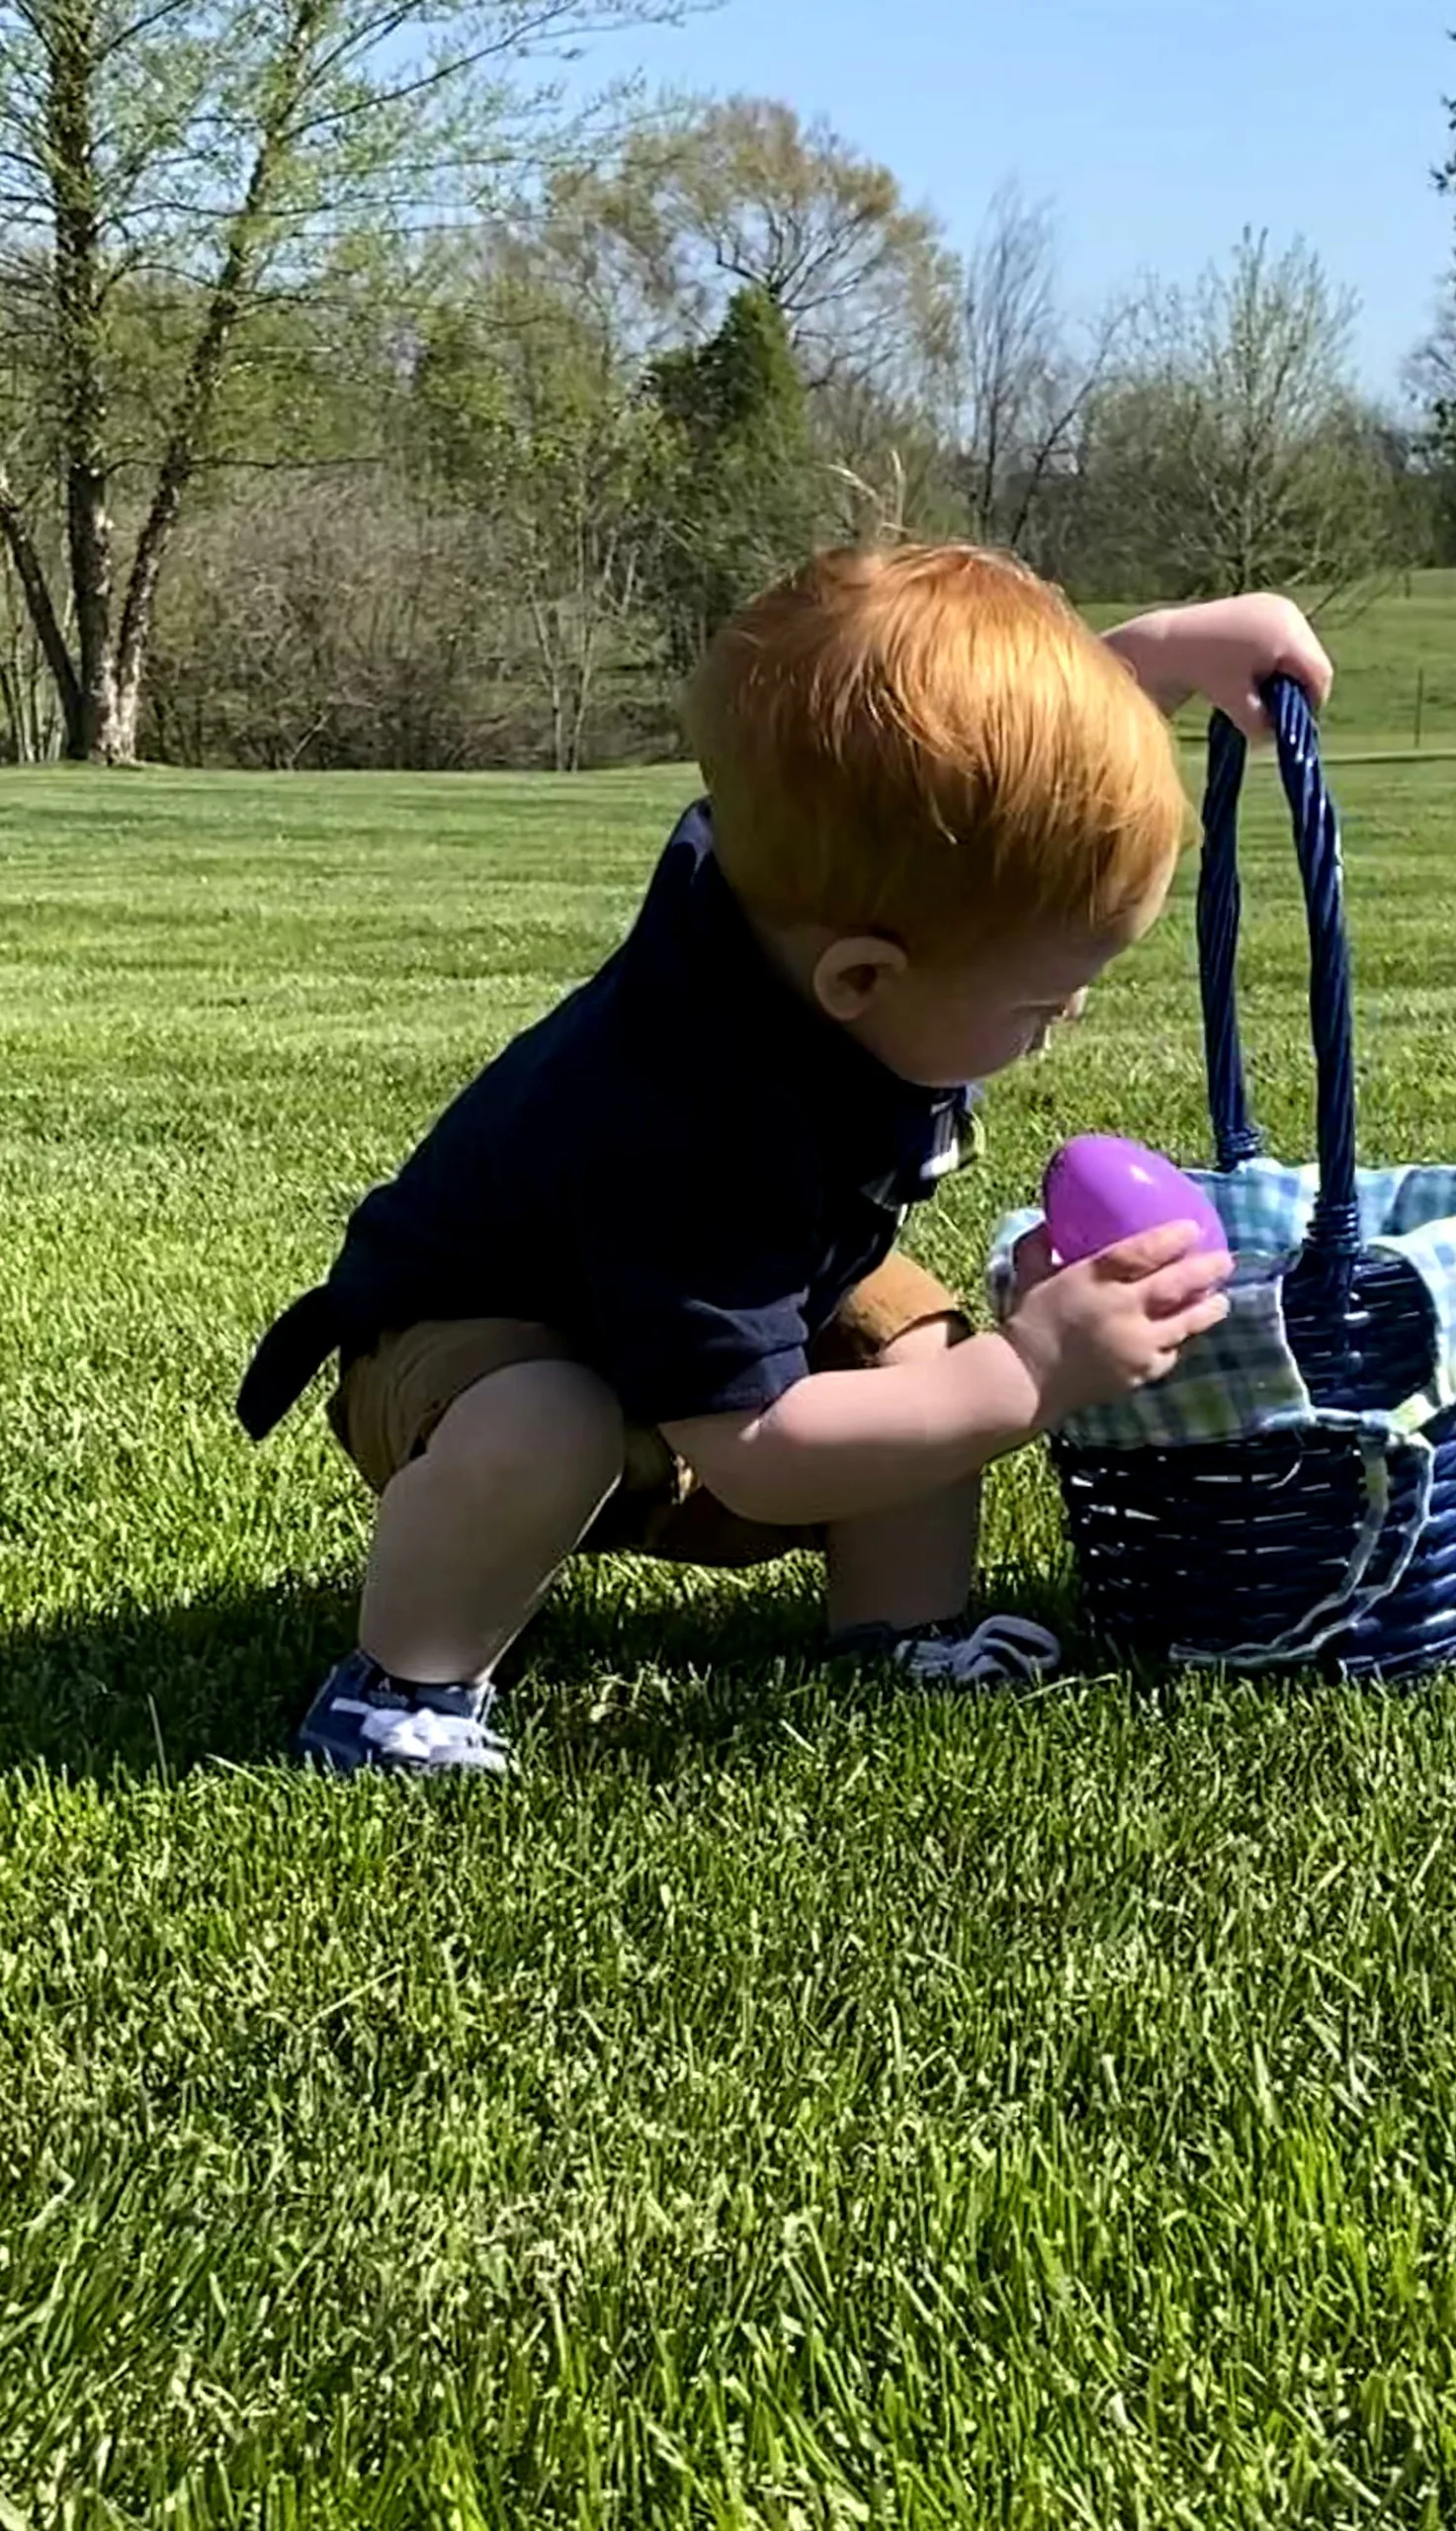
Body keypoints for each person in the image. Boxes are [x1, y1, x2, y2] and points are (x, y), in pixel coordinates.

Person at [237, 546, 1332, 1777]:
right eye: (1037, 1004)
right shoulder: (690, 1114)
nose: (1065, 1018)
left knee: (914, 1341)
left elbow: (985, 790)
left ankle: (898, 1631)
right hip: (473, 1341)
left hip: (717, 1278)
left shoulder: (831, 895)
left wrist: (1167, 650)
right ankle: (399, 1687)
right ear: (861, 978)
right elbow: (756, 1452)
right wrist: (1032, 1373)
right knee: (553, 1421)